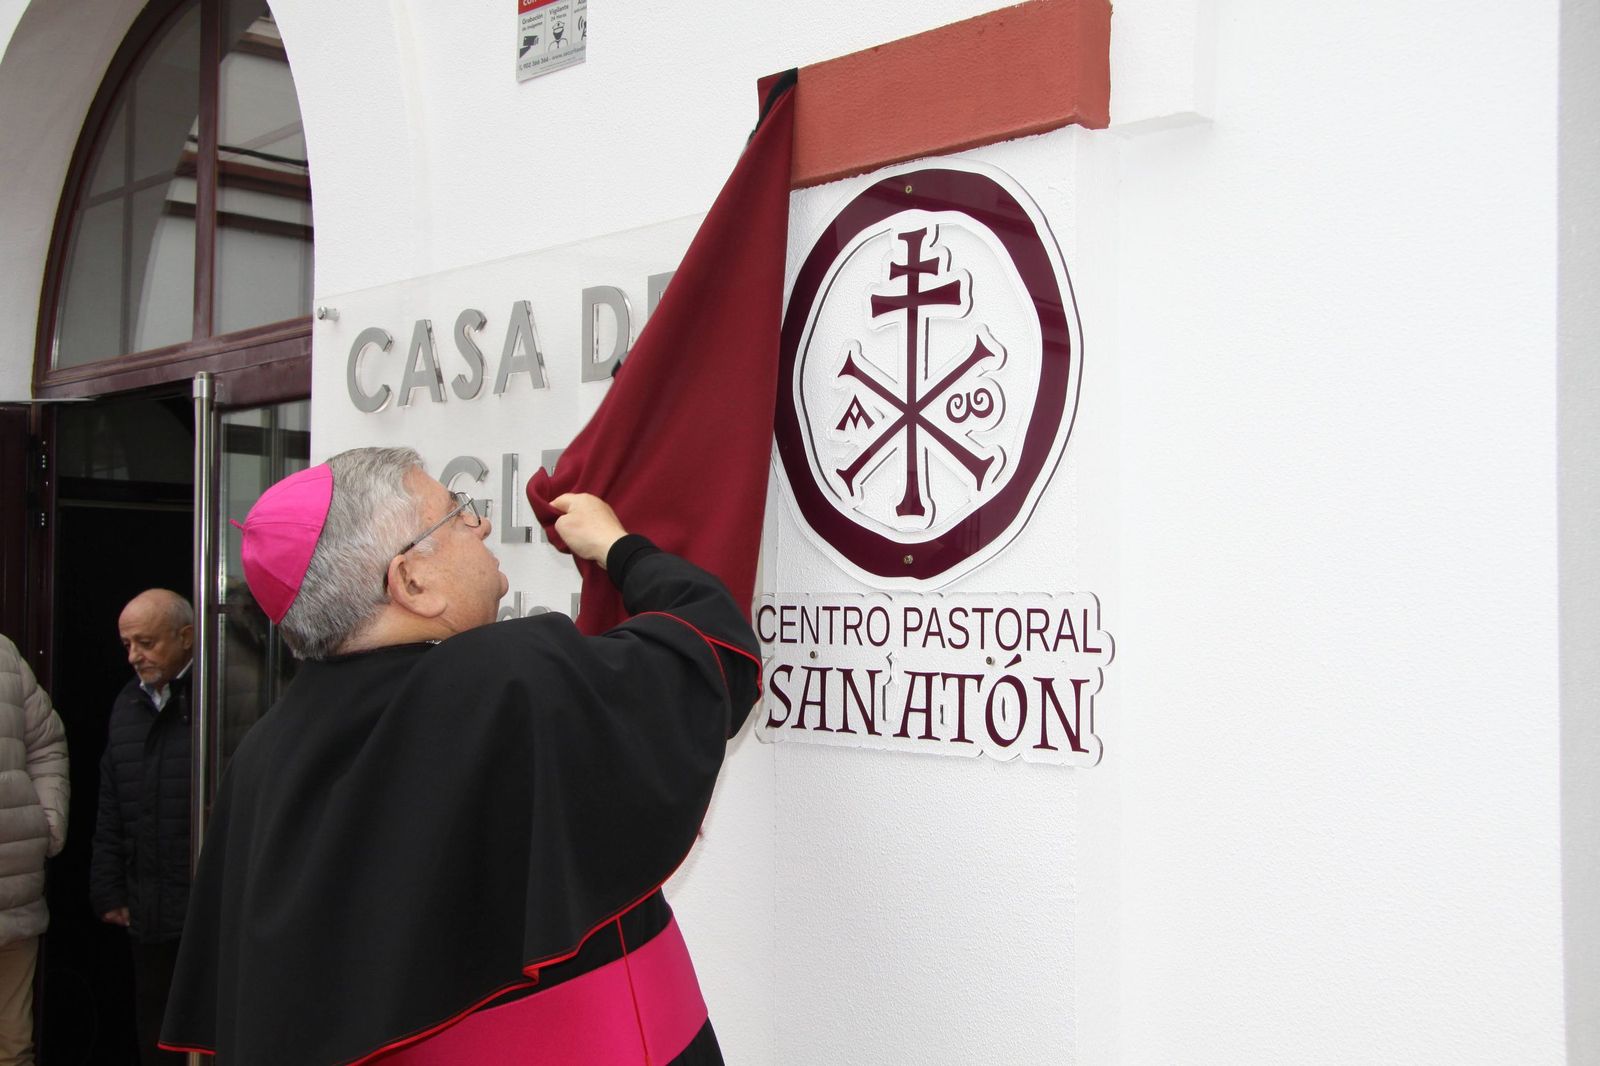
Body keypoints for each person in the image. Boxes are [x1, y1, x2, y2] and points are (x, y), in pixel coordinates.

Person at [160, 447, 760, 1065]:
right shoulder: (507, 680)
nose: (480, 525)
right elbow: (715, 654)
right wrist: (620, 547)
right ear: (411, 583)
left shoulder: (260, 756)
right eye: (456, 513)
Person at [90, 589, 194, 1066]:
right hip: (147, 906)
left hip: (203, 905)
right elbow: (112, 803)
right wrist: (109, 889)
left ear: (187, 637)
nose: (135, 657)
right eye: (128, 644)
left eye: (147, 643)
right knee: (155, 1032)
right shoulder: (126, 705)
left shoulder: (220, 695)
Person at [0, 635, 69, 1066]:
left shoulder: (3, 653)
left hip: (16, 894)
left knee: (12, 1047)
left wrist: (48, 824)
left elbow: (46, 743)